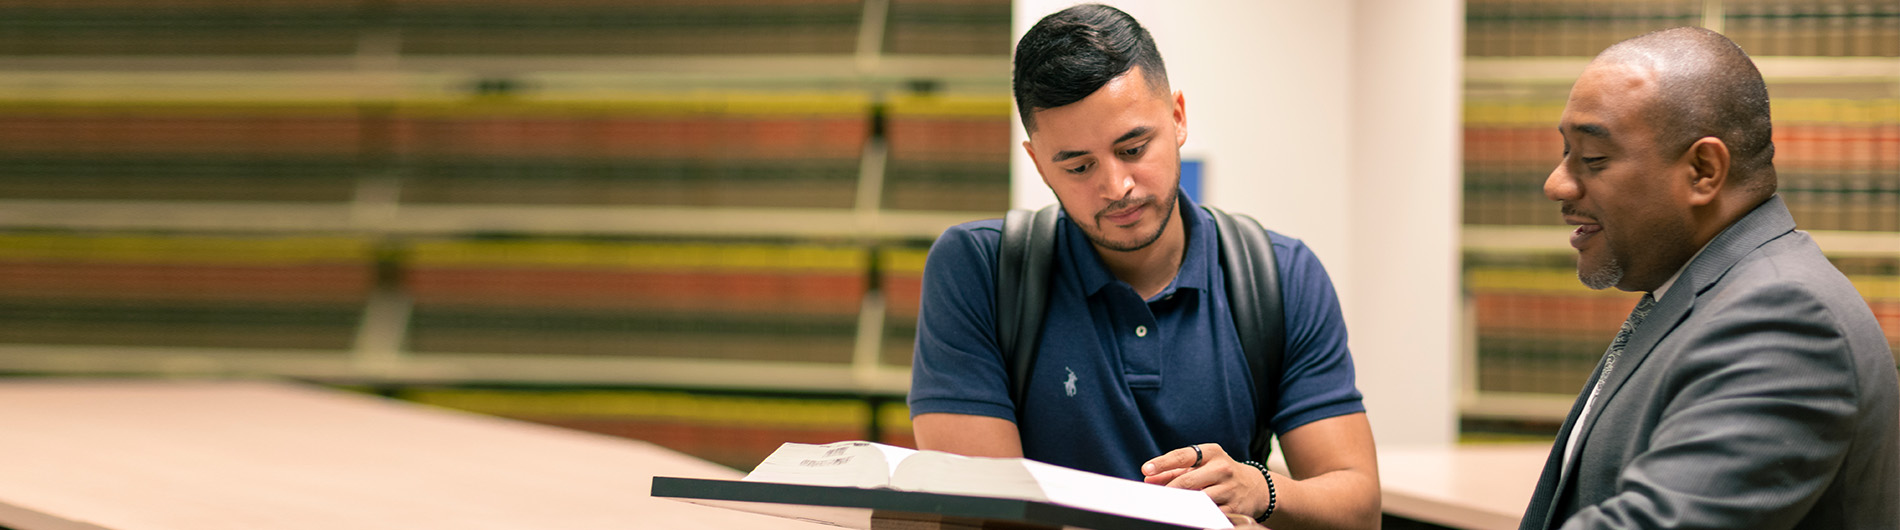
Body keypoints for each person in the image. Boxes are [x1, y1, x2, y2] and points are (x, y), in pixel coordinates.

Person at [905, 4, 1379, 528]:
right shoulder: (980, 271)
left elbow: (1358, 508)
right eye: (1080, 166)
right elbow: (983, 514)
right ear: (1038, 163)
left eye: (1133, 148)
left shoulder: (1281, 275)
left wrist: (1259, 488)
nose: (1116, 187)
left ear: (1177, 117)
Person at [1520, 26, 1900, 529]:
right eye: (1565, 153)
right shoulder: (1708, 290)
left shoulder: (1783, 317)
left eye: (1592, 159)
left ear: (1703, 170)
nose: (1556, 183)